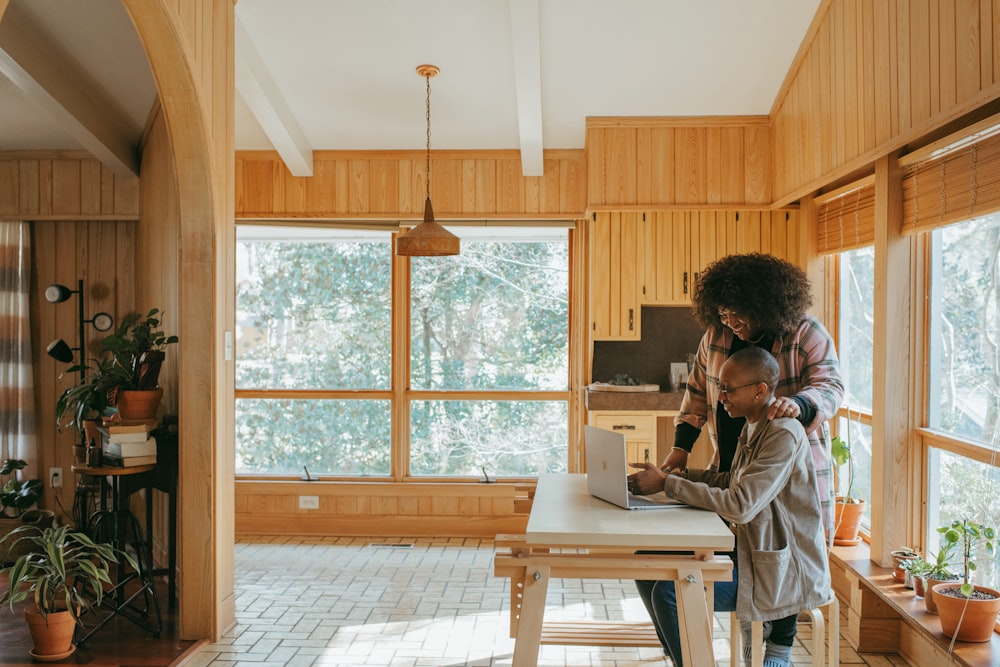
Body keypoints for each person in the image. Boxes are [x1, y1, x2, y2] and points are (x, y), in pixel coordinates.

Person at [633, 252, 843, 664]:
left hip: (785, 457)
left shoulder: (805, 334)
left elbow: (830, 387)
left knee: (783, 535)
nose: (730, 322)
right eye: (724, 313)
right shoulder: (717, 337)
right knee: (728, 544)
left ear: (765, 305)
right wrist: (680, 451)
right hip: (736, 459)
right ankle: (687, 650)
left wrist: (797, 405)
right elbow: (697, 393)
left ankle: (777, 644)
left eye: (738, 314)